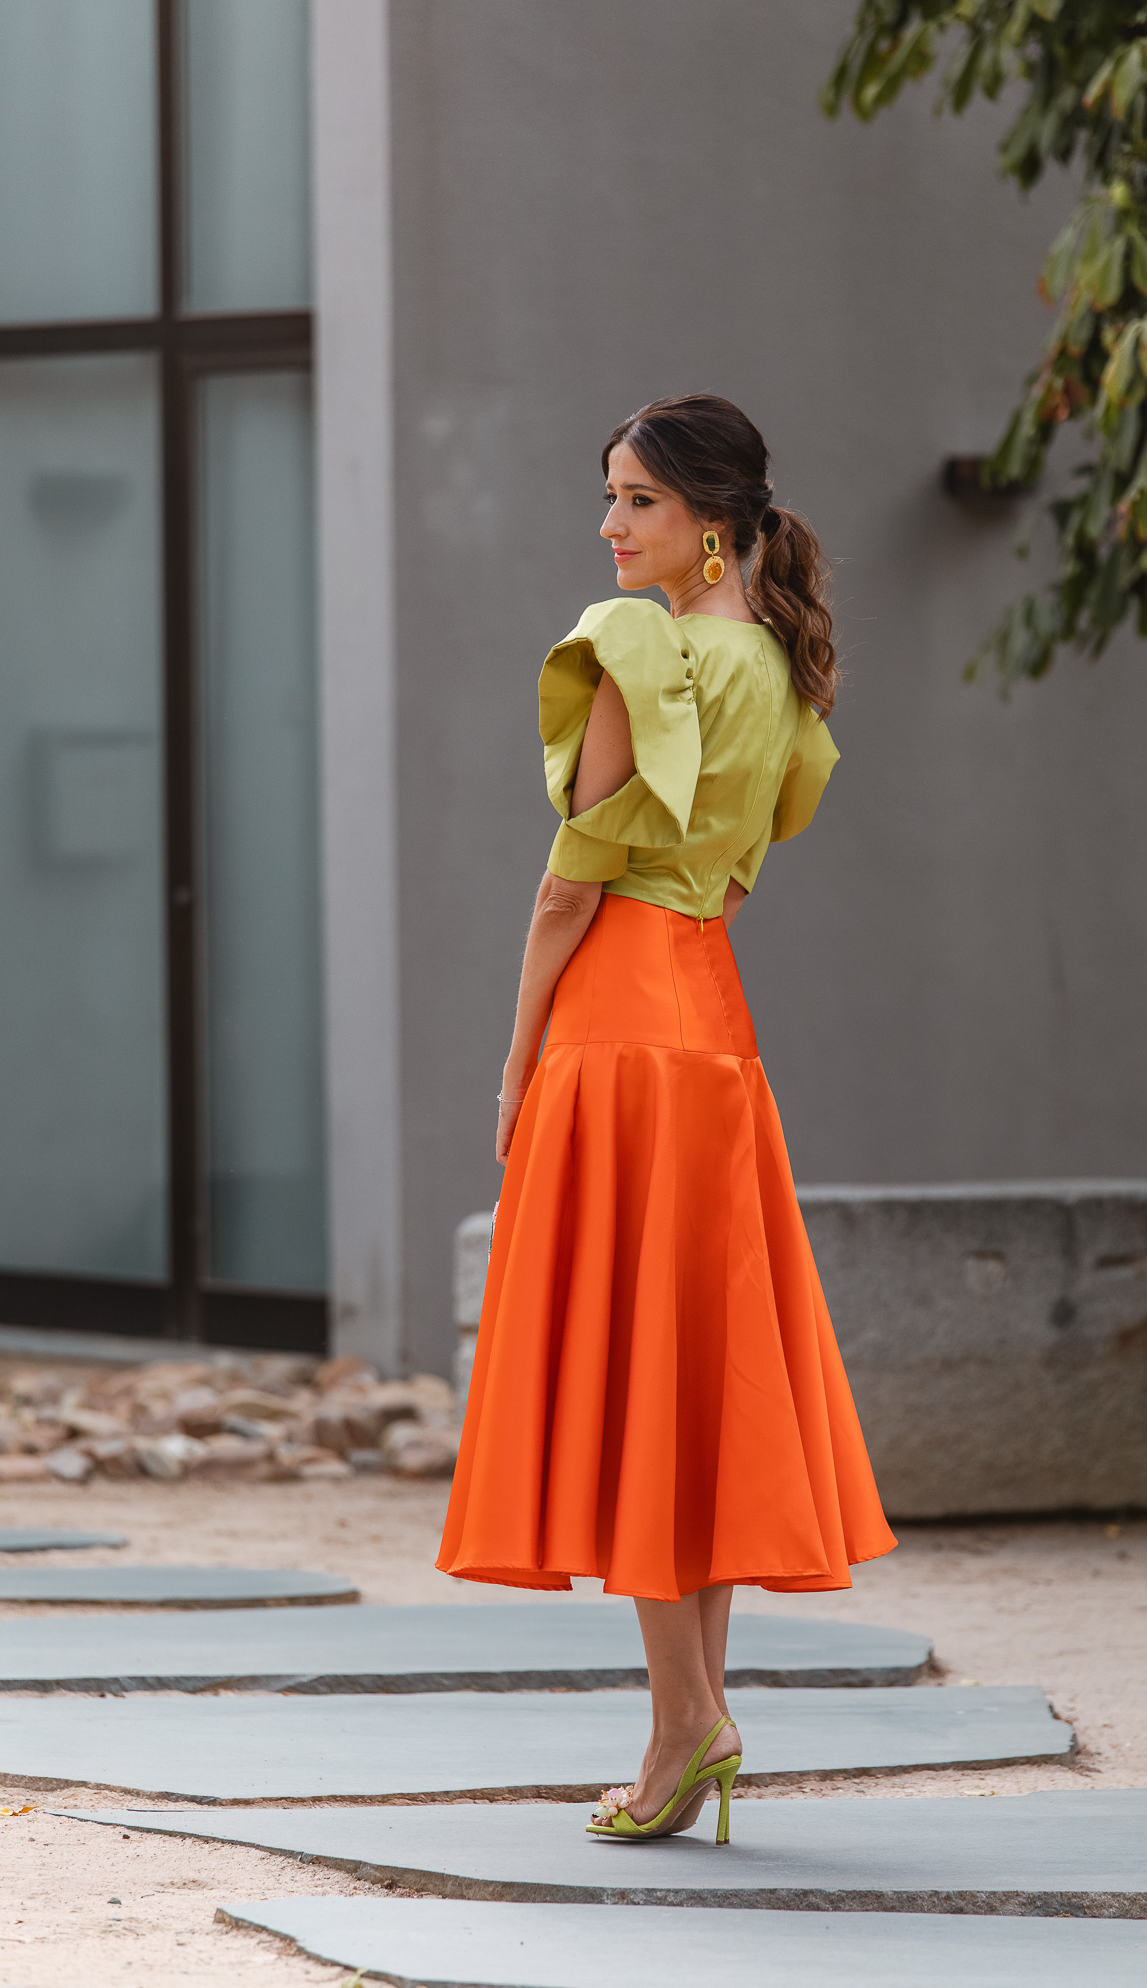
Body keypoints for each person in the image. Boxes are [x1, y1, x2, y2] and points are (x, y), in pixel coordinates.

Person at [437, 393, 894, 1844]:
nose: (609, 525)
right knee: (688, 1379)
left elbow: (570, 885)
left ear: (708, 518)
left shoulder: (636, 644)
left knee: (642, 1379)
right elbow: (735, 878)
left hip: (617, 1033)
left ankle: (682, 1728)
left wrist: (517, 1064)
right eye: (610, 498)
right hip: (709, 1027)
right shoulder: (779, 670)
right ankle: (689, 1721)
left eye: (633, 499)